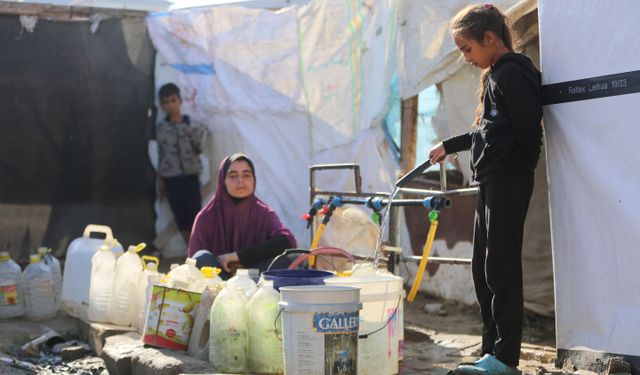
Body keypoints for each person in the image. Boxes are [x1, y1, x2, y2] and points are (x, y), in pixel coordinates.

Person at [427, 4, 542, 375]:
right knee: (483, 267)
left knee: (502, 266)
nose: (465, 58)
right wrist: (450, 144)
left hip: (508, 179)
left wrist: (517, 166)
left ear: (489, 39)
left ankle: (506, 358)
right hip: (492, 180)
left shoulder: (513, 74)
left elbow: (528, 130)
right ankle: (491, 349)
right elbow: (488, 131)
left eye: (467, 49)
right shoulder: (495, 76)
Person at [188, 153, 297, 279]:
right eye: (233, 176)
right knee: (201, 257)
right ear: (223, 181)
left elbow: (287, 241)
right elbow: (193, 263)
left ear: (254, 180)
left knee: (283, 260)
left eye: (246, 175)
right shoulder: (206, 217)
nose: (240, 180)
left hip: (255, 281)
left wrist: (237, 256)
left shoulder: (264, 213)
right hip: (218, 283)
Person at [156, 83, 205, 244]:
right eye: (166, 102)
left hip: (190, 176)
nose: (170, 105)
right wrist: (162, 183)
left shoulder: (190, 125)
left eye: (172, 100)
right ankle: (189, 251)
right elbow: (161, 155)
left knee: (195, 215)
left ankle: (198, 250)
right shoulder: (161, 128)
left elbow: (199, 148)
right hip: (171, 179)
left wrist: (189, 132)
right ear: (162, 105)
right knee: (180, 217)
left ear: (180, 101)